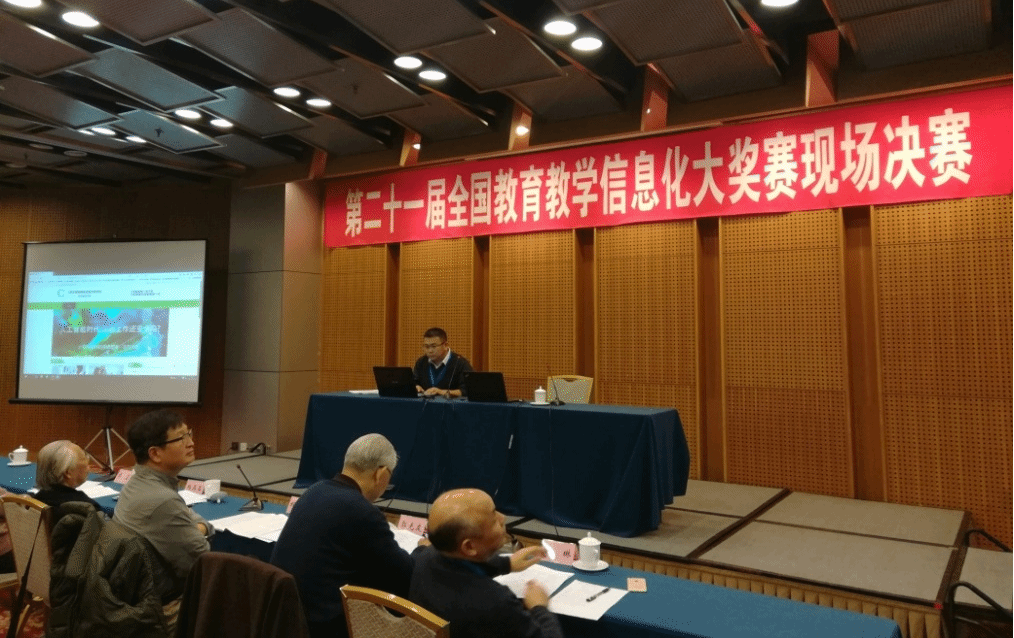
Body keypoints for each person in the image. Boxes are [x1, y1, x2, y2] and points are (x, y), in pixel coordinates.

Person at [271, 433, 415, 638]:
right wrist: (422, 549)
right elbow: (403, 574)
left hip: (285, 619)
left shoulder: (314, 490)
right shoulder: (362, 511)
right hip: (322, 628)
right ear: (381, 473)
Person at [409, 489, 563, 638]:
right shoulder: (496, 602)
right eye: (494, 519)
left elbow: (456, 565)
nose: (503, 518)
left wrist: (507, 563)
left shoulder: (424, 557)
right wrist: (539, 607)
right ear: (469, 547)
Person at [113, 409, 213, 631]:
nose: (191, 442)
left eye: (189, 434)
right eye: (181, 438)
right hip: (163, 609)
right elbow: (202, 564)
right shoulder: (162, 500)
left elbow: (186, 514)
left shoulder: (138, 484)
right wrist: (203, 529)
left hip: (136, 597)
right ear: (155, 454)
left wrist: (197, 527)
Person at [33, 440, 102, 524]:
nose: (88, 464)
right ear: (68, 472)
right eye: (84, 458)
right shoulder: (87, 509)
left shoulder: (35, 501)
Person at [413, 327, 473, 398]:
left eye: (434, 346)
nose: (430, 351)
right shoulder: (421, 362)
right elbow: (414, 381)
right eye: (426, 347)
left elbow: (467, 390)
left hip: (450, 404)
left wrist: (441, 392)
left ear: (445, 345)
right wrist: (416, 387)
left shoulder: (460, 363)